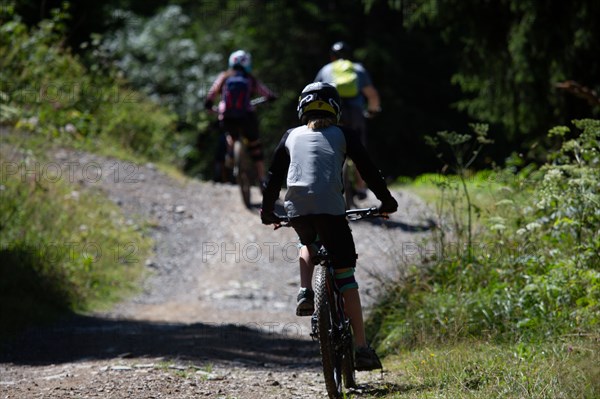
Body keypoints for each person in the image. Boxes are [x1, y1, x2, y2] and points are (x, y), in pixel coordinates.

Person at [260, 82, 398, 371]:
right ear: (335, 109)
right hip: (332, 213)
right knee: (346, 277)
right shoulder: (344, 135)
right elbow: (368, 171)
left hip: (297, 210)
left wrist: (267, 212)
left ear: (301, 107)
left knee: (306, 242)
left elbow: (273, 177)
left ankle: (305, 290)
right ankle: (361, 348)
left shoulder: (290, 135)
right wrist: (386, 202)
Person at [314, 41, 382, 200]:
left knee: (327, 148)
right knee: (359, 150)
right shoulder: (358, 69)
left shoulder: (325, 69)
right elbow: (372, 95)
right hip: (355, 114)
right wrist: (372, 110)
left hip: (331, 114)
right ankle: (360, 186)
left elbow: (314, 91)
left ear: (332, 56)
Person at [204, 50, 276, 184]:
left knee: (230, 135)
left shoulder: (224, 76)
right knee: (254, 143)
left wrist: (209, 105)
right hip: (246, 115)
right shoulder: (250, 79)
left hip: (226, 116)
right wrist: (271, 97)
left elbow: (212, 92)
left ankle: (231, 155)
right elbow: (266, 93)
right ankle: (262, 178)